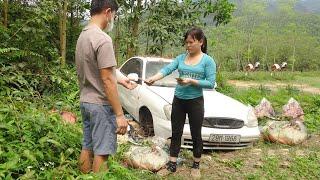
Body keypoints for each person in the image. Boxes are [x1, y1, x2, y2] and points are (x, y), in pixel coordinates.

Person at [145, 27, 216, 178]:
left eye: (191, 42)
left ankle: (196, 165)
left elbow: (210, 83)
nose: (188, 46)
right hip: (179, 100)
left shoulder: (208, 61)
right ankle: (172, 164)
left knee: (196, 133)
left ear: (201, 42)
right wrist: (153, 78)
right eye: (186, 43)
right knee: (176, 132)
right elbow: (167, 69)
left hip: (195, 101)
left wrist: (191, 81)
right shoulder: (181, 58)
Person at [75, 0, 136, 173]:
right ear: (108, 12)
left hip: (86, 102)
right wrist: (119, 115)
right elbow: (107, 80)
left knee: (87, 146)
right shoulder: (103, 39)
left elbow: (100, 68)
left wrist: (122, 79)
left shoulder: (84, 35)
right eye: (114, 16)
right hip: (101, 105)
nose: (113, 20)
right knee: (102, 151)